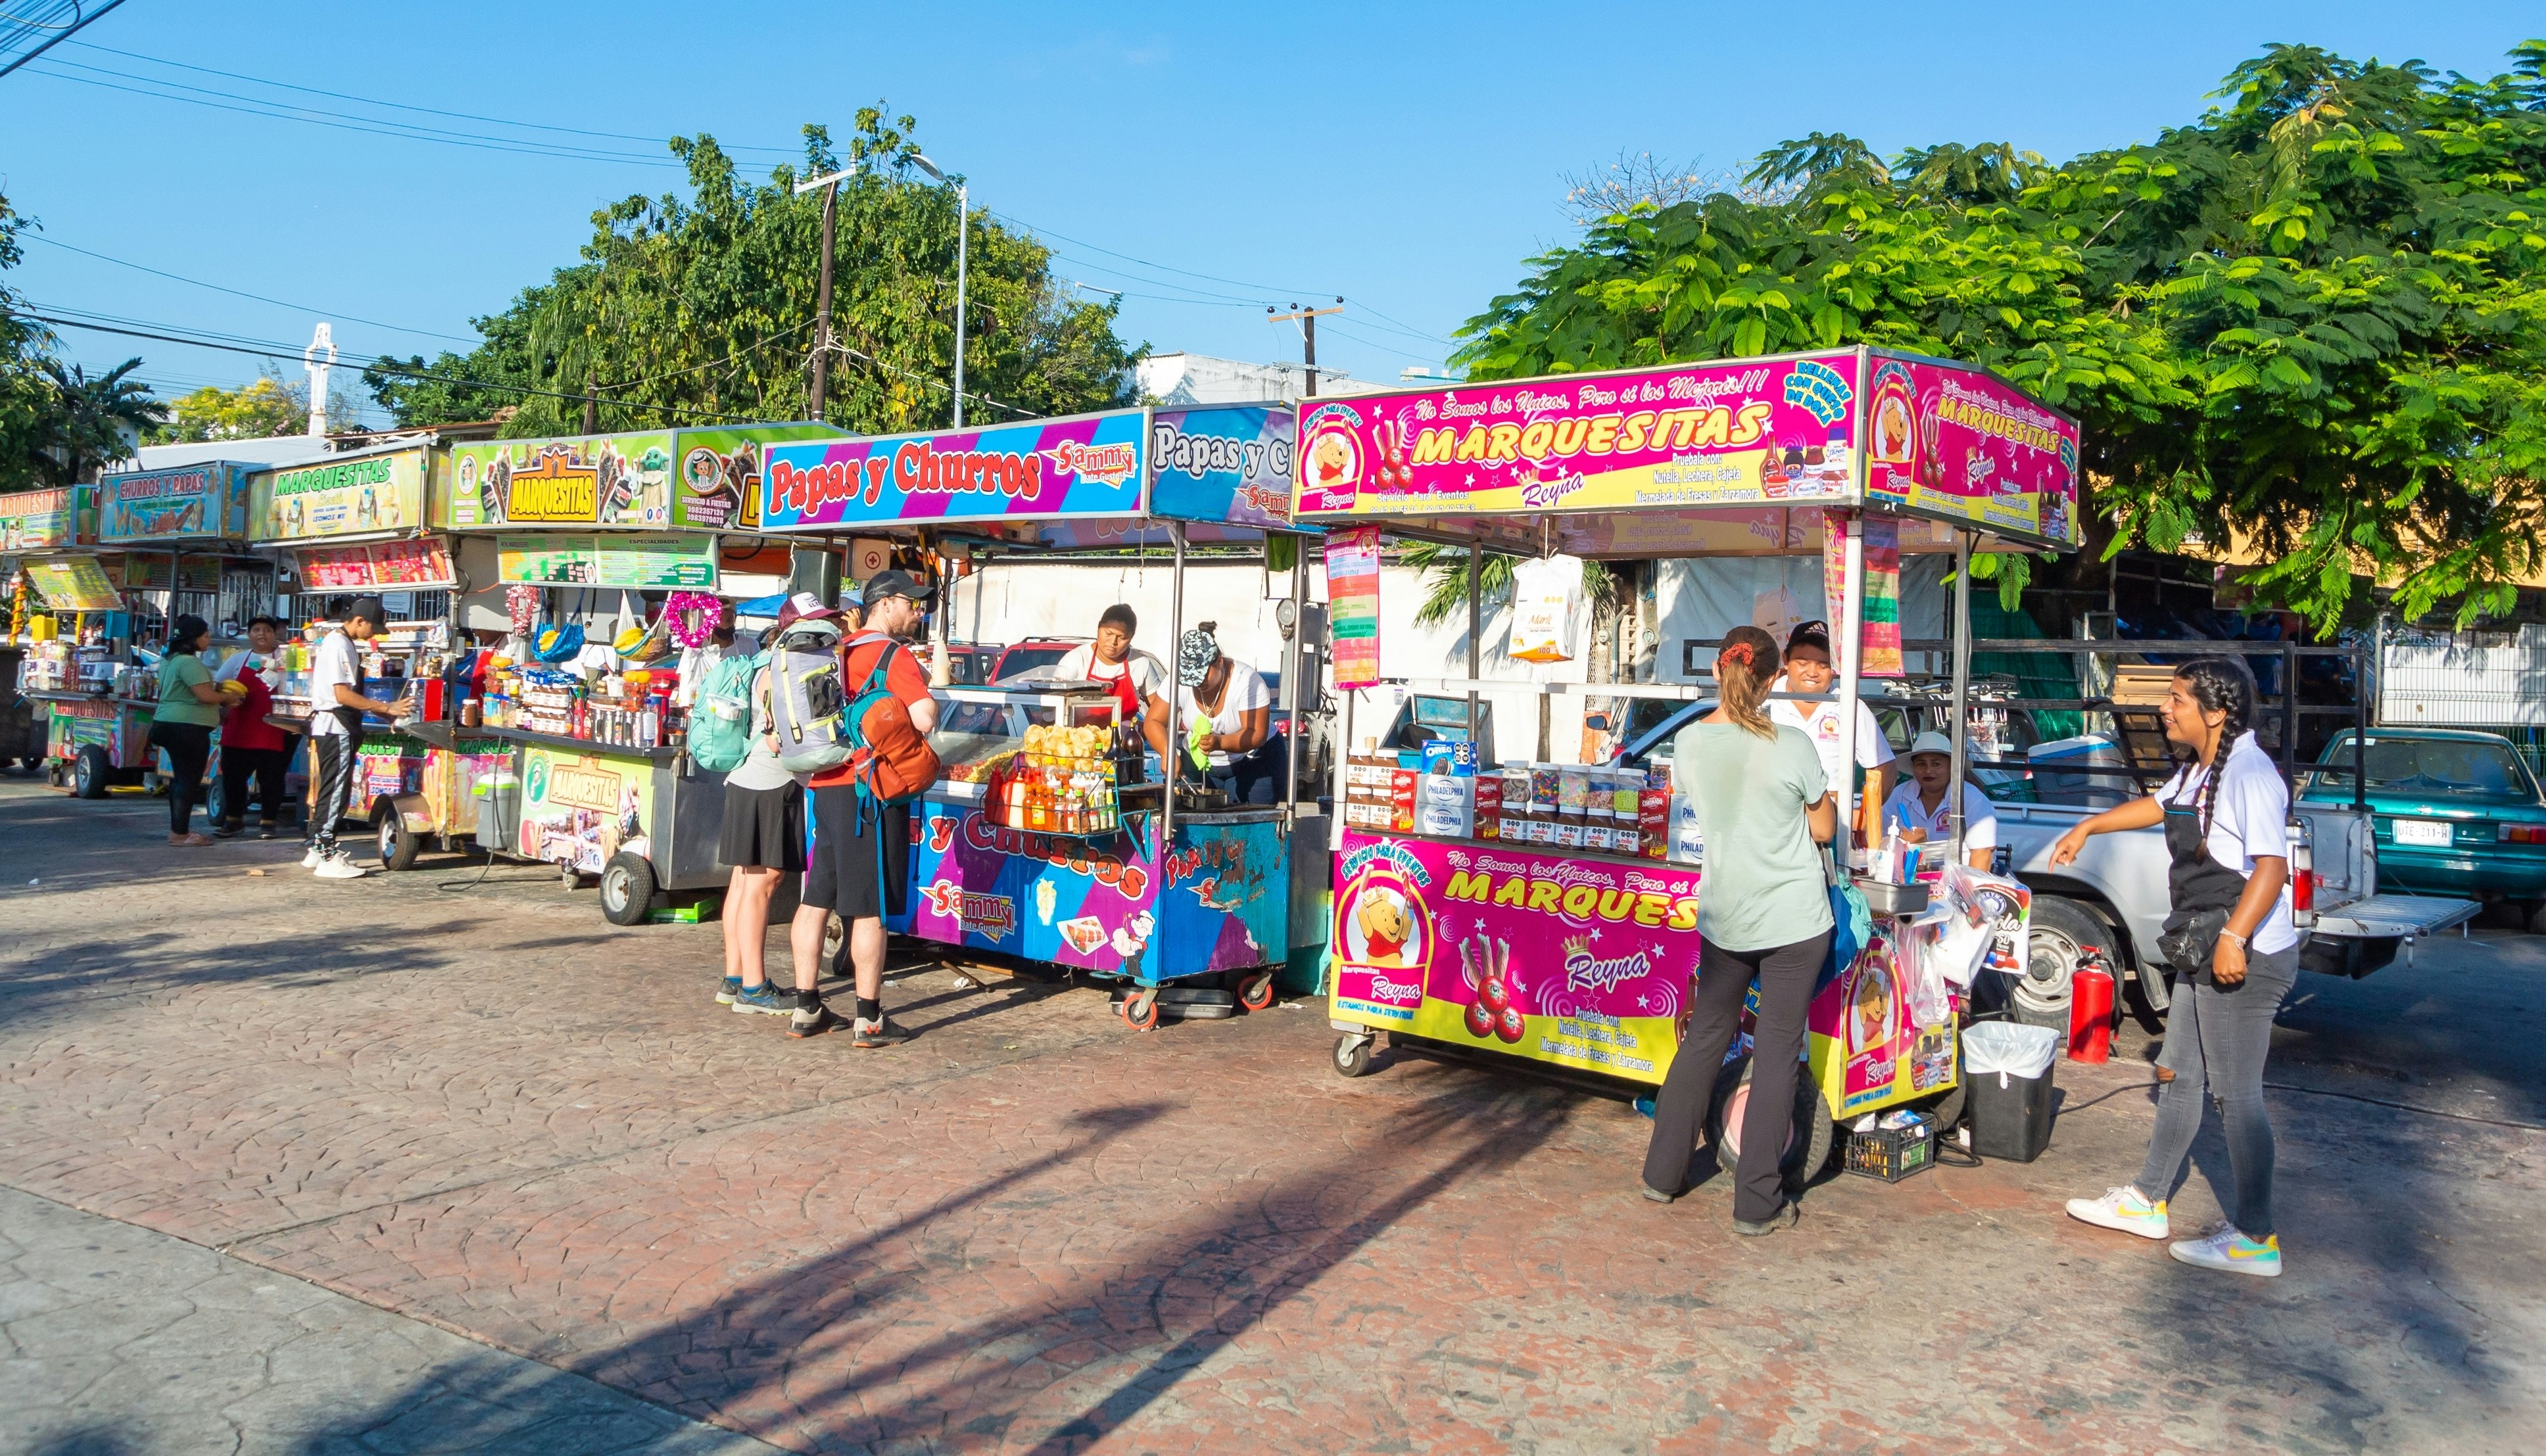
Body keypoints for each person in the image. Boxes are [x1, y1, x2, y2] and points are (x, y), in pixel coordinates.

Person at [2054, 659, 2295, 1278]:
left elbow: (2270, 868)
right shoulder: (2200, 769)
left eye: (2179, 699)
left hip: (2244, 952)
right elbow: (2159, 808)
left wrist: (2236, 937)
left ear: (2216, 712)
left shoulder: (2249, 773)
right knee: (2179, 1074)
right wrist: (2089, 825)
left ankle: (2256, 1236)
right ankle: (2147, 1200)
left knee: (2235, 1094)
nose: (2167, 708)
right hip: (2203, 942)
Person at [1641, 624, 1837, 1234]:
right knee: (1777, 1052)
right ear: (1773, 677)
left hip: (1725, 914)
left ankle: (1661, 1175)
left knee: (1704, 1038)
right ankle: (1757, 1203)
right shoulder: (1792, 744)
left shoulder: (1691, 743)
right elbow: (1825, 829)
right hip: (1792, 918)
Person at [786, 572, 936, 1044]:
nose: (917, 613)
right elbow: (925, 718)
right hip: (869, 792)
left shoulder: (836, 650)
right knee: (869, 909)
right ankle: (869, 1017)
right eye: (911, 604)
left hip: (824, 784)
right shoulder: (894, 656)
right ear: (886, 604)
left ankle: (807, 1006)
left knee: (815, 899)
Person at [714, 624, 800, 1020]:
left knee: (744, 880)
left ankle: (736, 978)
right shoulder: (785, 670)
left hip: (743, 777)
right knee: (763, 884)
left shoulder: (760, 664)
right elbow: (781, 738)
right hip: (770, 781)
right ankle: (753, 987)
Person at [302, 597, 409, 880]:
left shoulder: (341, 642)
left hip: (333, 724)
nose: (373, 633)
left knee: (330, 788)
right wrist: (387, 708)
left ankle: (316, 848)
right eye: (372, 627)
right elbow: (342, 695)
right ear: (359, 621)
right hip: (335, 725)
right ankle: (326, 853)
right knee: (336, 791)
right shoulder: (339, 645)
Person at [1770, 620, 1894, 849]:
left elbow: (1883, 767)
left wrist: (1864, 817)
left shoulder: (1851, 707)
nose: (1813, 672)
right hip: (1771, 827)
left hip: (1832, 833)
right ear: (1785, 660)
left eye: (1823, 664)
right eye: (1803, 662)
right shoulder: (1764, 701)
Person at [1143, 623, 1278, 801]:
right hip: (1198, 764)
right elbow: (1154, 721)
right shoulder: (1176, 681)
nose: (1197, 683)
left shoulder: (1248, 682)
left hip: (1254, 763)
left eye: (1201, 676)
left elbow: (1256, 734)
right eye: (1189, 677)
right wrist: (1167, 752)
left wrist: (1220, 742)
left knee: (1243, 823)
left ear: (1219, 662)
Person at [148, 614, 227, 847]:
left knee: (181, 779)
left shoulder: (169, 660)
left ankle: (179, 829)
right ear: (193, 639)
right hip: (186, 728)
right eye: (205, 635)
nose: (209, 639)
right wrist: (227, 697)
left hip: (167, 723)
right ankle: (180, 834)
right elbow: (206, 696)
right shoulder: (189, 662)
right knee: (188, 780)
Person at [212, 616, 293, 839]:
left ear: (274, 634)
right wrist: (225, 705)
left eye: (267, 630)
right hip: (239, 729)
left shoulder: (285, 659)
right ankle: (234, 821)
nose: (262, 634)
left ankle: (268, 823)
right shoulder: (238, 660)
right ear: (249, 635)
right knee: (233, 778)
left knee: (272, 778)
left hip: (273, 728)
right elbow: (218, 685)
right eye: (256, 629)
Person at [1880, 730, 1999, 871]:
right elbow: (1882, 843)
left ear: (1951, 767)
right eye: (1921, 764)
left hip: (1962, 879)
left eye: (1936, 764)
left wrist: (1967, 891)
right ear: (1914, 768)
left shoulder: (1973, 799)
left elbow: (1982, 853)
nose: (1928, 770)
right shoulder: (1898, 795)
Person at [1055, 604, 1165, 736]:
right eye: (1108, 633)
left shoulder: (1140, 664)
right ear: (1098, 628)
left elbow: (1162, 712)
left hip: (1124, 747)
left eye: (1122, 638)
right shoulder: (1076, 660)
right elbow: (1052, 708)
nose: (1113, 642)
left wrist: (1147, 727)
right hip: (1081, 745)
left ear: (1131, 637)